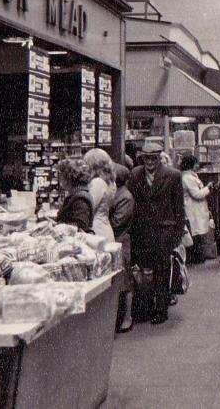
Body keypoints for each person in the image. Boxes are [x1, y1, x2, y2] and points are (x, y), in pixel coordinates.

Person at [127, 142, 185, 325]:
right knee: (144, 270)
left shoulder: (173, 175)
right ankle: (146, 306)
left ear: (159, 158)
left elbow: (179, 207)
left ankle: (161, 309)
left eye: (153, 158)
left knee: (161, 270)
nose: (150, 162)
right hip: (142, 231)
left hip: (164, 231)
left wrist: (178, 233)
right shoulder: (135, 175)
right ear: (142, 158)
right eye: (146, 158)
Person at [108, 162, 136, 334]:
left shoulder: (125, 196)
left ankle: (127, 317)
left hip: (120, 240)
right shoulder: (116, 194)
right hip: (117, 240)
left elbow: (118, 222)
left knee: (125, 282)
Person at [181, 154, 213, 265]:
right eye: (196, 163)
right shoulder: (187, 178)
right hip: (192, 209)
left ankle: (197, 256)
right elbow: (197, 194)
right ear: (191, 165)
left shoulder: (190, 176)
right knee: (195, 233)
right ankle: (196, 257)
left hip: (195, 208)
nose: (198, 166)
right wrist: (208, 188)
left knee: (196, 233)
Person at [84, 148, 117, 242]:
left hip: (96, 231)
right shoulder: (111, 182)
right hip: (105, 228)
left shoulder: (97, 183)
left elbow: (89, 207)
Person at [55, 157, 94, 233]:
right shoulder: (77, 194)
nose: (59, 180)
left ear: (68, 177)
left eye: (61, 176)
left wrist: (59, 226)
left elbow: (81, 226)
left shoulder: (80, 198)